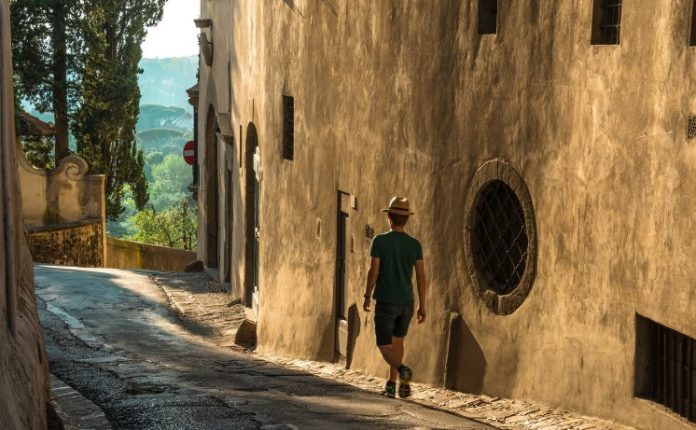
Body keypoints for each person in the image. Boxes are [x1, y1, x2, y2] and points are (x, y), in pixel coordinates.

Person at [363, 196, 426, 398]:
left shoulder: (380, 241)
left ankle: (402, 371)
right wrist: (422, 305)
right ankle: (392, 385)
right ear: (405, 220)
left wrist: (367, 295)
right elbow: (421, 276)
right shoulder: (414, 245)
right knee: (397, 343)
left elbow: (373, 272)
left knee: (383, 344)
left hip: (386, 302)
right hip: (407, 302)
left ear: (389, 217)